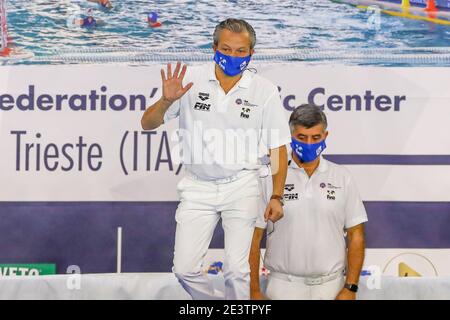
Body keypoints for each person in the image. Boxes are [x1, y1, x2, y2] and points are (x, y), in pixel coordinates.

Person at [141, 18, 290, 300]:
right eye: (226, 49)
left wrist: (277, 196)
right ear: (213, 48)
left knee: (237, 270)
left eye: (240, 51)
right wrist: (166, 101)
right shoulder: (189, 80)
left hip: (243, 184)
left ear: (251, 54)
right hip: (198, 186)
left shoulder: (264, 90)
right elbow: (147, 124)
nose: (233, 56)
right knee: (184, 269)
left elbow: (278, 146)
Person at [249, 104, 368, 300]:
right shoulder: (269, 176)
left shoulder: (342, 176)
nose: (309, 144)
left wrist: (351, 287)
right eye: (302, 138)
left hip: (331, 286)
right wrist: (253, 291)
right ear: (290, 137)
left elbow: (356, 235)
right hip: (283, 286)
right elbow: (253, 237)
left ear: (325, 136)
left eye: (316, 138)